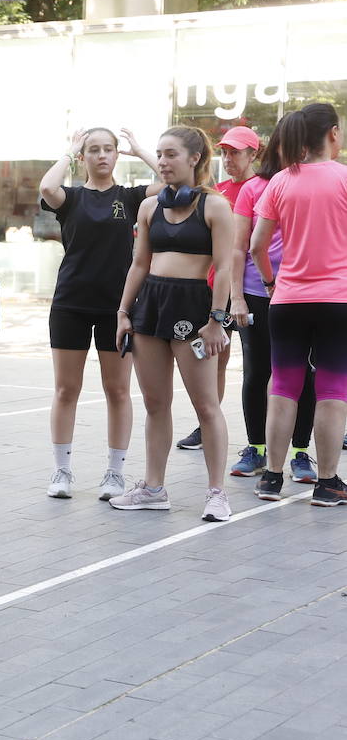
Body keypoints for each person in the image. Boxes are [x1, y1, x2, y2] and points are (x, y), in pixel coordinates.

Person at [113, 126, 236, 521]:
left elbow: (224, 266)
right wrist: (123, 312)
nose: (163, 162)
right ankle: (153, 488)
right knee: (154, 404)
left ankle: (217, 494)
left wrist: (218, 319)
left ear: (194, 158)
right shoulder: (149, 208)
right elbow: (138, 264)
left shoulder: (215, 206)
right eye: (160, 155)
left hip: (194, 310)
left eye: (170, 155)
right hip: (151, 306)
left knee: (206, 406)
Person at [39, 127, 158, 500]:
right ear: (84, 157)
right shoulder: (71, 197)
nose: (102, 155)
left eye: (109, 149)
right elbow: (46, 188)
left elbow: (173, 183)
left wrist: (140, 150)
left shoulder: (132, 197)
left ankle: (114, 474)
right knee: (66, 389)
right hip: (70, 303)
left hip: (118, 307)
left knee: (118, 390)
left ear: (117, 155)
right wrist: (68, 151)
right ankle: (61, 472)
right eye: (94, 150)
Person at [250, 102, 347, 507]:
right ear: (333, 134)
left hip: (287, 300)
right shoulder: (344, 178)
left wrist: (272, 284)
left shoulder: (280, 182)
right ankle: (327, 484)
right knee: (332, 390)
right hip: (337, 301)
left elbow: (256, 246)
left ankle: (271, 478)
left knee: (282, 387)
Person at [225, 124, 317, 481]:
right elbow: (238, 247)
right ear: (274, 149)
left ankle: (299, 453)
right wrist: (236, 299)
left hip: (299, 294)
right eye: (285, 146)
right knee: (257, 371)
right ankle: (257, 449)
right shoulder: (253, 188)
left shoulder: (311, 184)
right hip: (255, 293)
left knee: (304, 375)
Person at [174, 126, 254, 452]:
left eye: (235, 152)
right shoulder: (217, 192)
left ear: (253, 154)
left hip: (247, 294)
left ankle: (259, 441)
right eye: (224, 151)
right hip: (212, 292)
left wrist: (243, 293)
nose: (228, 158)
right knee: (213, 362)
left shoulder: (260, 188)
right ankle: (207, 423)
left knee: (256, 368)